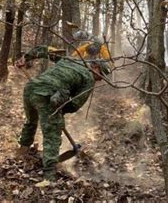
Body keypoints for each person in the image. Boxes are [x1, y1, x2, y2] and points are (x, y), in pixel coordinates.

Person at [14, 45, 110, 181]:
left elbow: (44, 50)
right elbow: (75, 105)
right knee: (52, 133)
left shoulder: (69, 59)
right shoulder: (89, 78)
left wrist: (26, 57)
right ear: (94, 67)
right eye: (101, 75)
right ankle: (49, 176)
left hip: (31, 88)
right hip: (47, 94)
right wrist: (58, 112)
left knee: (30, 123)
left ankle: (20, 155)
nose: (99, 79)